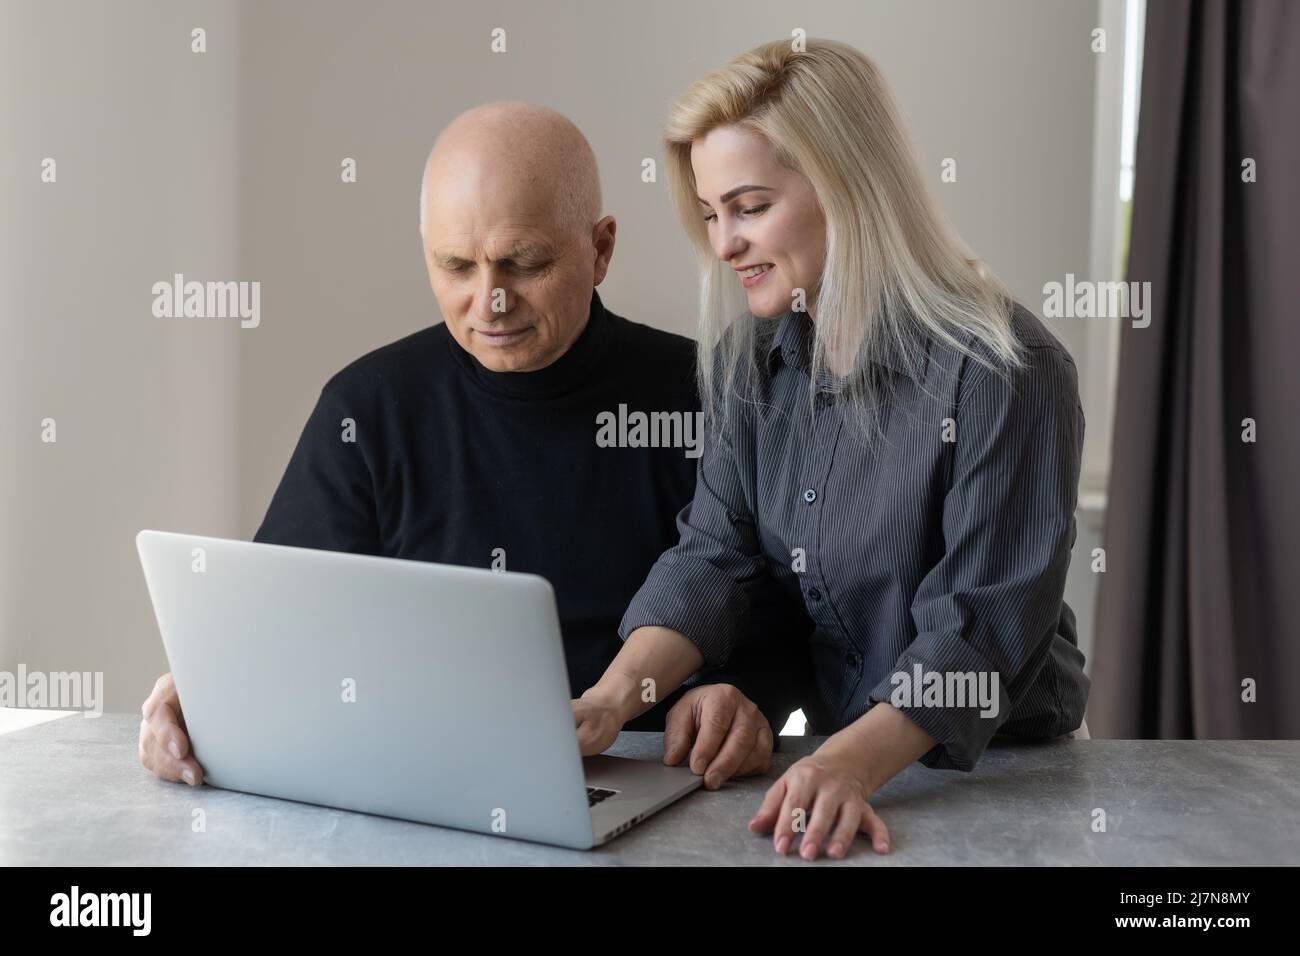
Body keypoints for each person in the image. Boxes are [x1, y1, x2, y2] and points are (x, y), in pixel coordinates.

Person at [138, 102, 812, 792]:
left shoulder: (711, 394)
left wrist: (740, 695)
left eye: (524, 264)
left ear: (600, 249)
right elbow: (276, 626)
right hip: (417, 782)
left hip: (652, 775)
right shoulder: (366, 410)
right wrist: (203, 688)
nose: (490, 302)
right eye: (457, 267)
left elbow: (793, 616)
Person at [573, 38, 1090, 860]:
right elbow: (714, 556)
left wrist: (847, 765)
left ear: (850, 187)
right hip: (842, 762)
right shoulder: (752, 359)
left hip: (996, 774)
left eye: (747, 207)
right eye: (711, 214)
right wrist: (605, 700)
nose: (723, 243)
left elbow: (978, 632)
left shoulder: (1005, 370)